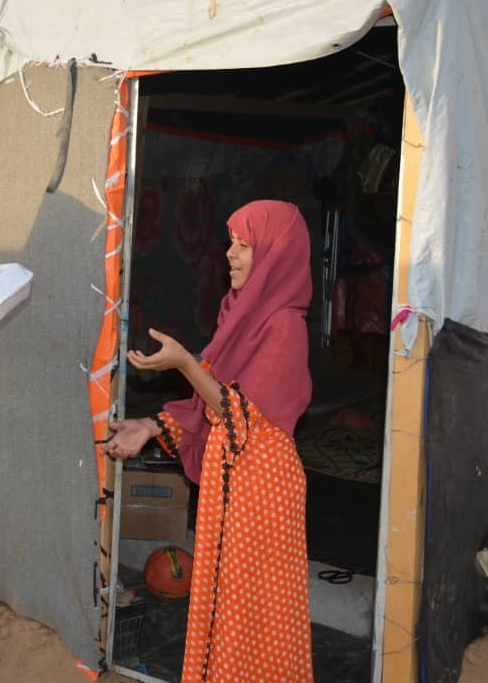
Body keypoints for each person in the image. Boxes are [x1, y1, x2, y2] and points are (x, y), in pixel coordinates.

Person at [103, 199, 314, 682]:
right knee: (228, 608)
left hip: (264, 488)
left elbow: (235, 413)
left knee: (255, 617)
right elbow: (210, 405)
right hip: (234, 482)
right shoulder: (240, 316)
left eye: (245, 246)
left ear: (275, 256)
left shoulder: (285, 325)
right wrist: (151, 426)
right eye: (231, 243)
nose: (230, 254)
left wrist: (184, 363)